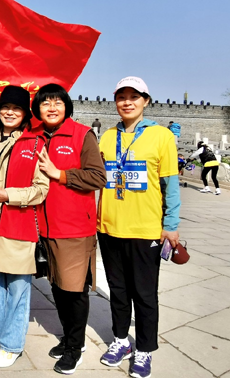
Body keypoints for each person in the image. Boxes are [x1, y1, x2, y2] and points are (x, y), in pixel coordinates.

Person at [98, 76, 181, 378]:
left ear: (146, 101)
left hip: (146, 229)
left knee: (145, 294)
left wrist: (171, 224)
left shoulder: (161, 136)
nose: (127, 102)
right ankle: (121, 340)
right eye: (121, 96)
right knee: (118, 291)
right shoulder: (107, 137)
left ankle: (144, 349)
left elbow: (171, 184)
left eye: (134, 96)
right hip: (109, 227)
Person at [31, 83, 107, 374]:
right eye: (45, 103)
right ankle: (69, 337)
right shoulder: (35, 136)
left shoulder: (82, 135)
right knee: (57, 286)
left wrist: (60, 174)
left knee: (74, 290)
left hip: (74, 228)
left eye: (57, 102)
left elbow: (97, 177)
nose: (51, 108)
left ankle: (75, 347)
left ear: (67, 106)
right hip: (44, 227)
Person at [0, 86, 49, 368]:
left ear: (25, 114)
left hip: (17, 223)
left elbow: (42, 189)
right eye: (5, 107)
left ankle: (12, 344)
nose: (10, 112)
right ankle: (4, 338)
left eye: (16, 109)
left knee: (18, 288)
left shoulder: (35, 143)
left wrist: (11, 195)